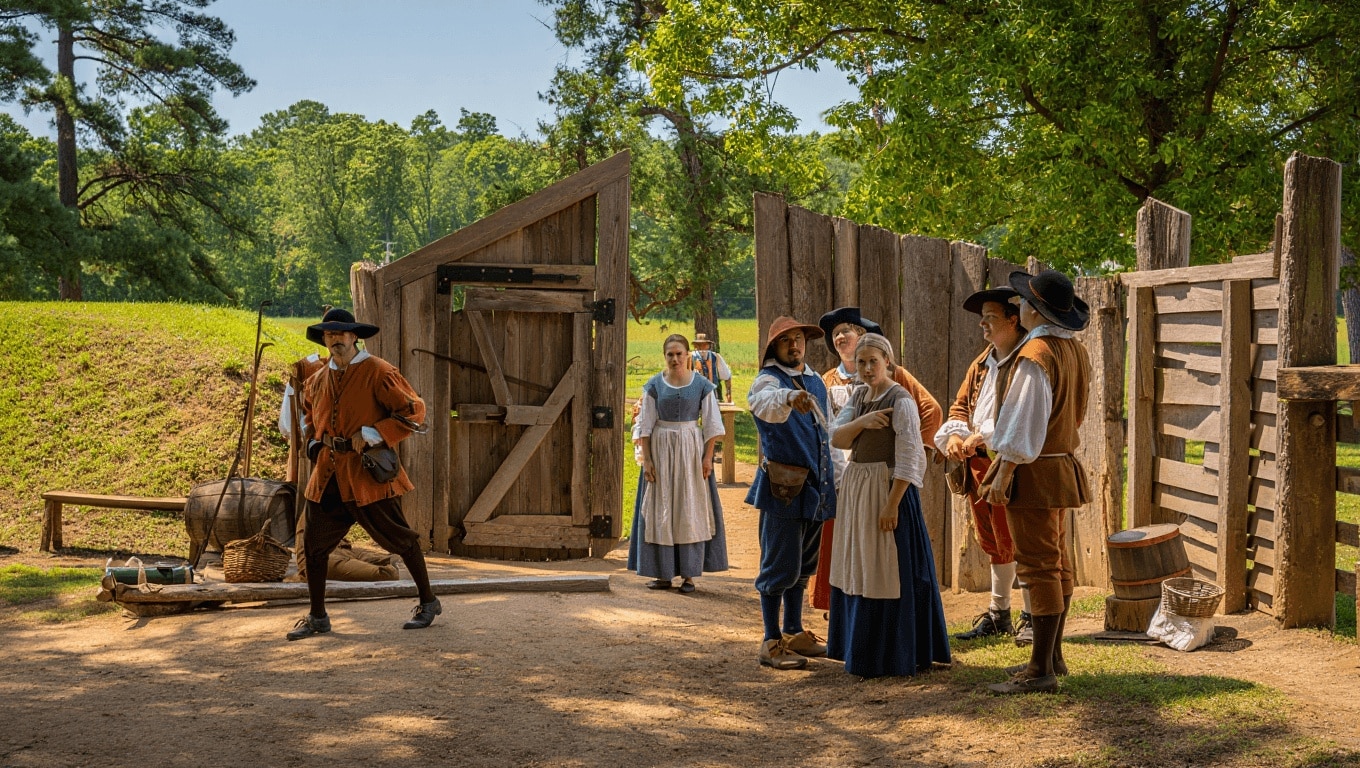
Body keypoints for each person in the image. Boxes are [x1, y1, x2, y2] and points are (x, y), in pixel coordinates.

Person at [286, 308, 441, 641]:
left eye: (341, 334)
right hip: (327, 475)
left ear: (354, 336)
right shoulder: (315, 380)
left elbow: (414, 410)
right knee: (313, 547)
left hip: (366, 475)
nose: (335, 340)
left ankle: (429, 602)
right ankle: (317, 616)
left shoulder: (378, 371)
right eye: (329, 335)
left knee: (400, 539)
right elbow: (308, 417)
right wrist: (314, 444)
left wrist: (374, 432)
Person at [979, 270, 1091, 694]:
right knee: (1055, 561)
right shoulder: (1073, 350)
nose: (1019, 306)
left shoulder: (1037, 353)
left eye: (1024, 301)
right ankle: (1052, 658)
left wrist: (1005, 470)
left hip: (1036, 471)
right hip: (1057, 466)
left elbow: (1023, 423)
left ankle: (1040, 670)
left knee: (1039, 566)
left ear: (1033, 309)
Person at [826, 333, 951, 677]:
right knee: (862, 567)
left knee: (889, 572)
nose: (866, 369)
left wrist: (892, 504)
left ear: (888, 363)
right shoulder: (861, 396)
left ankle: (893, 654)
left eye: (873, 362)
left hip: (886, 492)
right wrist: (863, 422)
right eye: (862, 362)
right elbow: (836, 436)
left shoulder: (901, 401)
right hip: (859, 493)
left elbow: (910, 457)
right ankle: (861, 651)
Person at [811, 307, 943, 613]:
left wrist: (908, 459)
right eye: (836, 334)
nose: (842, 337)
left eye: (847, 330)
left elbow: (929, 413)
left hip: (886, 481)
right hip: (847, 477)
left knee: (886, 562)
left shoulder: (897, 385)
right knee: (851, 552)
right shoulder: (833, 382)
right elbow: (833, 432)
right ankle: (845, 615)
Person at [934, 288, 1032, 642]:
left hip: (1015, 465)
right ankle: (999, 613)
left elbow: (1025, 413)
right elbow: (961, 406)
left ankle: (1033, 616)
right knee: (993, 541)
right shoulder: (981, 362)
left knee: (1023, 541)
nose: (983, 325)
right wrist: (957, 437)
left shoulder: (1028, 360)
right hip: (979, 466)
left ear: (1013, 319)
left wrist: (985, 437)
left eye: (990, 317)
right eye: (983, 318)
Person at [746, 316, 838, 670]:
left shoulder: (816, 381)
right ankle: (770, 641)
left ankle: (794, 630)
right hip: (783, 489)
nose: (794, 345)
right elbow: (764, 403)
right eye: (786, 341)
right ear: (774, 347)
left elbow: (828, 431)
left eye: (798, 339)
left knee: (802, 567)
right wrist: (788, 396)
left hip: (816, 488)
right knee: (778, 567)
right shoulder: (768, 381)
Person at [627, 334, 729, 593]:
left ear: (687, 356)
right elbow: (645, 426)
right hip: (661, 450)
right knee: (661, 508)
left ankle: (689, 575)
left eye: (679, 354)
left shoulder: (702, 386)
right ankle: (662, 573)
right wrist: (647, 460)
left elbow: (713, 425)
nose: (675, 359)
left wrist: (707, 458)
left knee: (688, 507)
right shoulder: (654, 386)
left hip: (690, 451)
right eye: (670, 354)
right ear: (665, 356)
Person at [689, 333, 733, 402]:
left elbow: (726, 375)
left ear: (708, 345)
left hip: (713, 396)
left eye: (704, 344)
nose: (701, 347)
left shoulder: (715, 357)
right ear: (695, 346)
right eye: (699, 345)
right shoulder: (690, 357)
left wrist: (728, 392)